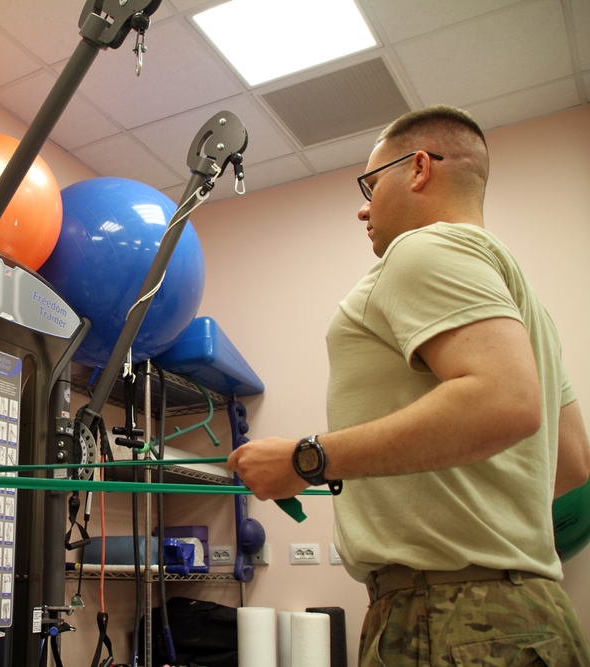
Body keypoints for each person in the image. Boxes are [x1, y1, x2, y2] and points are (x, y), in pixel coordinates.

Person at [227, 105, 590, 665]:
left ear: (419, 168)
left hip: (446, 617)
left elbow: (504, 403)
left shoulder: (424, 248)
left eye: (371, 184)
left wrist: (305, 461)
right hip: (531, 614)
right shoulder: (525, 304)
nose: (363, 207)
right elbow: (571, 466)